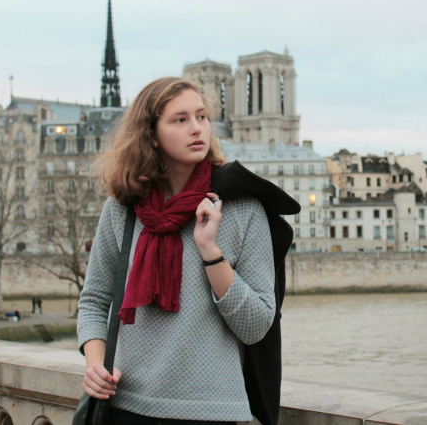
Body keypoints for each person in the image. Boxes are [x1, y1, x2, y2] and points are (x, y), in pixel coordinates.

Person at [77, 76, 284, 425]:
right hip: (125, 405)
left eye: (202, 117)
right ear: (151, 136)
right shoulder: (123, 209)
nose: (197, 129)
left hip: (212, 412)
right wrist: (96, 364)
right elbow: (95, 300)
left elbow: (257, 326)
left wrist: (210, 250)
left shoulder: (245, 209)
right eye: (180, 119)